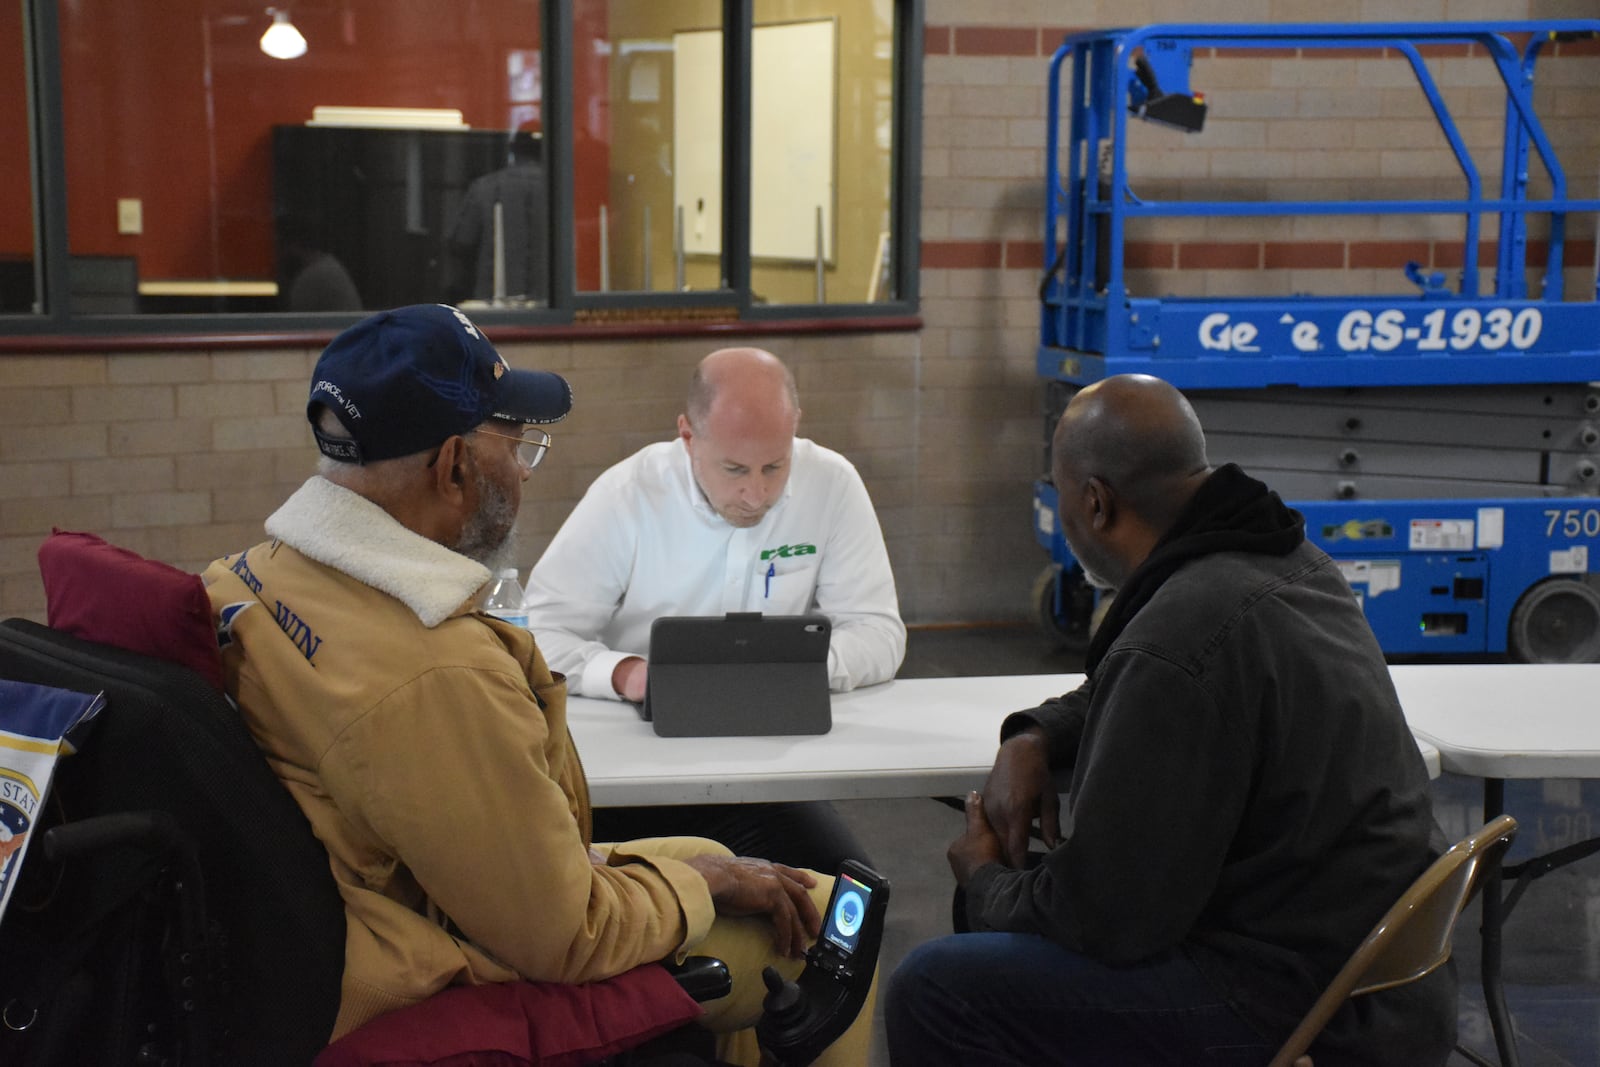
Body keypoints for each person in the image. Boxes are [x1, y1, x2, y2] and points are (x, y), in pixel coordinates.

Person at [202, 304, 871, 1063]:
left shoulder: (250, 576)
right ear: (455, 465)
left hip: (384, 908)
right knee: (826, 920)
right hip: (442, 959)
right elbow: (569, 932)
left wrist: (703, 871)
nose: (521, 470)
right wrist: (697, 888)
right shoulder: (439, 672)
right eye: (516, 445)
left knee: (718, 854)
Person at [885, 374, 1454, 1067]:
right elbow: (1135, 683)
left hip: (1294, 1004)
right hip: (1378, 978)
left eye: (1060, 492)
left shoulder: (1178, 636)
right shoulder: (1285, 564)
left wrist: (982, 878)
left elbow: (1105, 918)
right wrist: (1033, 732)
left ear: (1095, 502)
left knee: (937, 986)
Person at [523, 346, 906, 875]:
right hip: (632, 773)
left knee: (850, 898)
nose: (756, 493)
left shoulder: (832, 484)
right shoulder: (628, 494)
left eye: (776, 466)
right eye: (734, 469)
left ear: (795, 429)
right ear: (687, 437)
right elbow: (538, 631)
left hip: (768, 774)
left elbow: (879, 632)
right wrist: (629, 675)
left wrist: (790, 668)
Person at [447, 129, 548, 306]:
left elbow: (462, 241)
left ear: (513, 149)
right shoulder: (565, 190)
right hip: (551, 304)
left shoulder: (485, 186)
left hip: (495, 302)